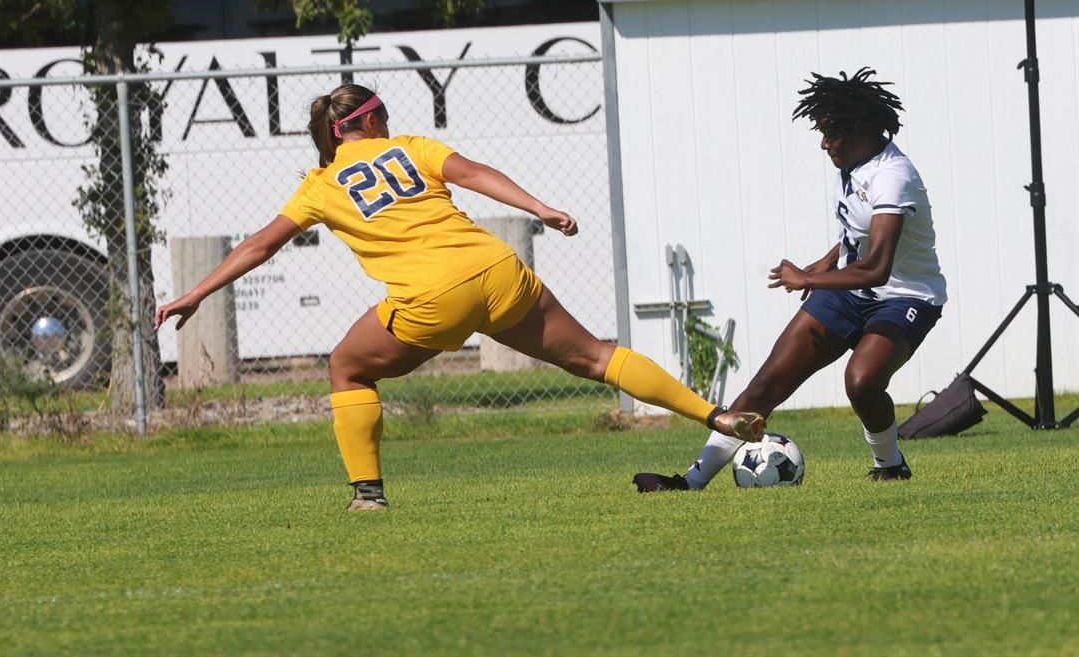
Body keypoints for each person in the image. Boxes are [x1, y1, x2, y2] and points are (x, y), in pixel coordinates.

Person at [154, 83, 765, 511]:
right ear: (367, 121)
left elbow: (259, 245)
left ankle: (368, 495)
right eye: (382, 112)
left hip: (431, 298)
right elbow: (474, 174)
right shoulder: (413, 148)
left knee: (346, 367)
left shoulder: (319, 185)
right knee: (597, 357)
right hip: (497, 270)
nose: (388, 120)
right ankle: (715, 416)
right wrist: (541, 209)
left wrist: (196, 294)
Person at [633, 68, 947, 492]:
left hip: (906, 297)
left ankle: (890, 464)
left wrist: (807, 278)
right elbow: (856, 237)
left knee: (861, 381)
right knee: (767, 383)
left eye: (830, 133)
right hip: (851, 291)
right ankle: (689, 482)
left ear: (860, 129)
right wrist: (823, 264)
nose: (823, 143)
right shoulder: (852, 164)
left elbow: (877, 267)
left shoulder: (894, 176)